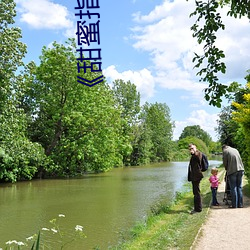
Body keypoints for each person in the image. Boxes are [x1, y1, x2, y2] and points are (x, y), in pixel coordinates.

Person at [188, 143, 204, 214]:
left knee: (196, 192)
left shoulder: (198, 154)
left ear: (195, 148)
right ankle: (197, 208)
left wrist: (194, 152)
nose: (191, 150)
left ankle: (198, 209)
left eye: (192, 148)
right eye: (190, 149)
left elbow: (198, 158)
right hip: (195, 176)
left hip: (196, 176)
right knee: (196, 192)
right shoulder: (194, 155)